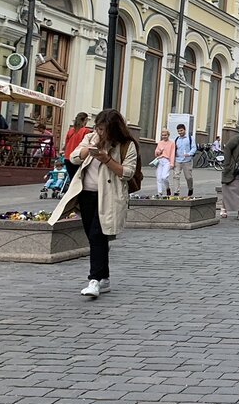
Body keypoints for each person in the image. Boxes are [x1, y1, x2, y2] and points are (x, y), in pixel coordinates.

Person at [49, 108, 138, 299]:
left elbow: (127, 173)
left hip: (109, 196)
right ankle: (104, 278)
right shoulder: (91, 138)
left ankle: (94, 280)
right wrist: (87, 151)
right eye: (98, 128)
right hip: (86, 194)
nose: (100, 133)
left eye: (104, 130)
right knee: (94, 236)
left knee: (98, 235)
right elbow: (72, 157)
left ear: (114, 130)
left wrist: (106, 159)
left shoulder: (126, 145)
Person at [62, 112, 92, 183]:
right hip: (78, 157)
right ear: (85, 120)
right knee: (79, 180)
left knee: (72, 179)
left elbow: (66, 144)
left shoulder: (71, 130)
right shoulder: (86, 131)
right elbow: (87, 145)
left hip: (68, 157)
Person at [171, 123, 196, 196]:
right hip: (178, 160)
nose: (180, 132)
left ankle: (190, 188)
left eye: (181, 130)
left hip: (187, 161)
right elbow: (175, 149)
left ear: (185, 130)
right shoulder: (177, 139)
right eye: (178, 131)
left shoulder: (190, 138)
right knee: (176, 176)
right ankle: (176, 192)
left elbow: (194, 148)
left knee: (188, 177)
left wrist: (189, 153)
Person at [152, 128, 175, 196]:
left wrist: (172, 163)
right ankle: (160, 193)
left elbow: (172, 153)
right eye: (163, 135)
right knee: (159, 177)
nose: (164, 136)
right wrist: (159, 151)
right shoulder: (160, 143)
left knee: (164, 177)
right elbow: (156, 154)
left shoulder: (172, 143)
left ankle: (167, 188)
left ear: (168, 135)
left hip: (167, 161)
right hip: (160, 161)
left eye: (165, 135)